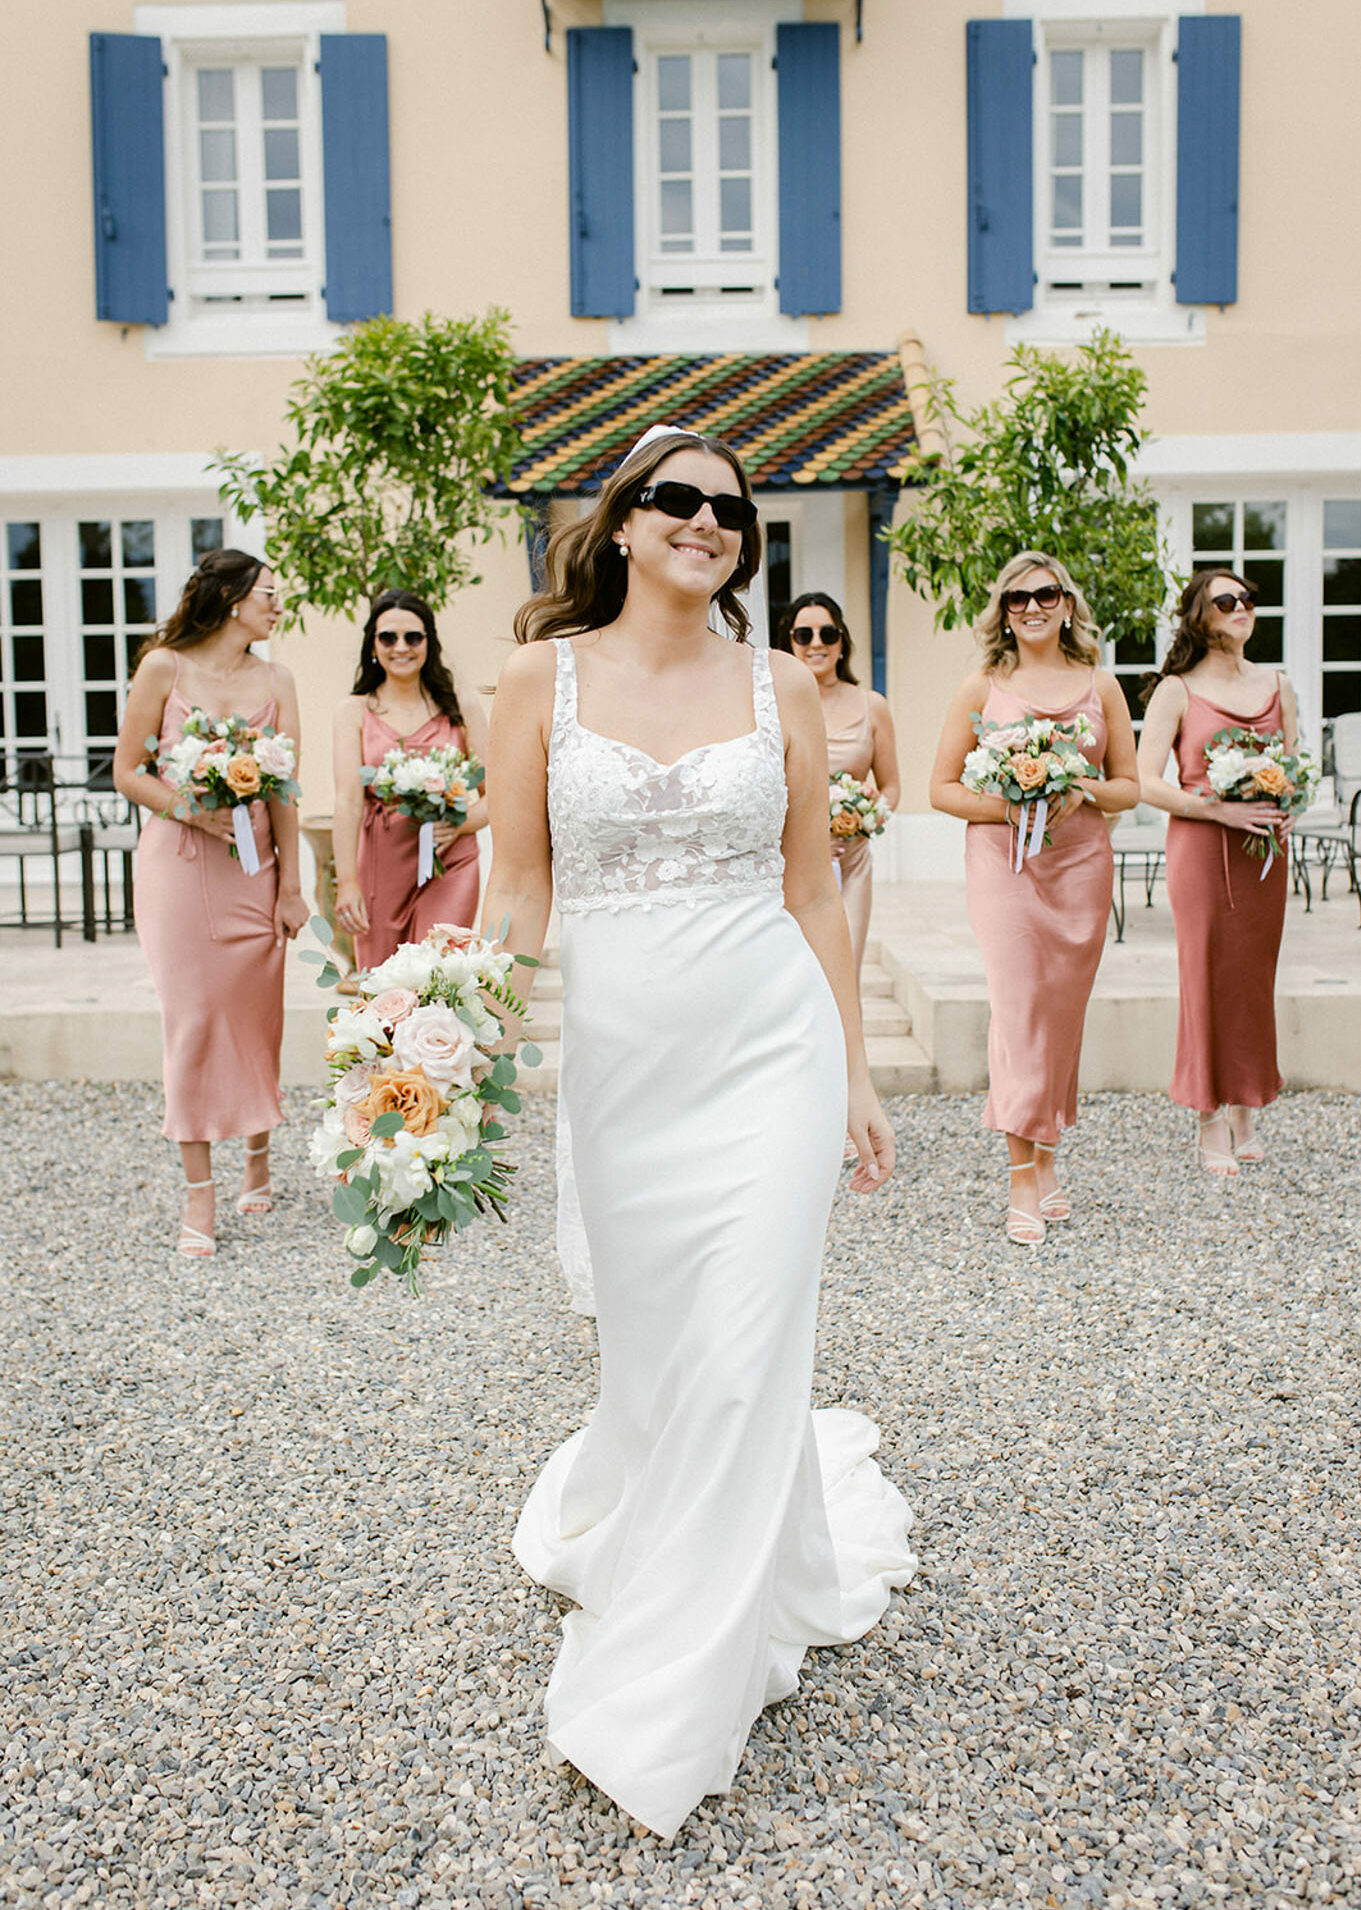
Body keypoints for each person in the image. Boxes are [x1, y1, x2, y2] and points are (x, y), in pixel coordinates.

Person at [480, 427, 916, 1839]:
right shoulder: (536, 679)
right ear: (621, 521)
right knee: (661, 1347)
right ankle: (678, 1523)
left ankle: (675, 1672)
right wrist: (457, 1044)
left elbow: (810, 891)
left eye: (730, 509)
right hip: (627, 1068)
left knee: (745, 1343)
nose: (706, 520)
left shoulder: (778, 680)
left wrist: (852, 1072)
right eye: (676, 498)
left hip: (770, 1044)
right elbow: (520, 889)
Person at [930, 552, 1138, 1242]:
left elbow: (1128, 788)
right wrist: (1010, 808)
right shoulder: (982, 686)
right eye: (1016, 598)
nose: (1031, 608)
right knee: (1018, 1009)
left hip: (1081, 864)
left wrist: (1080, 790)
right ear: (1004, 611)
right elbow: (941, 789)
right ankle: (1020, 1177)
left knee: (1060, 1015)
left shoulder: (1101, 686)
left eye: (1045, 594)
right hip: (1004, 864)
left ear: (1067, 604)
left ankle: (1046, 1156)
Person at [112, 549, 308, 1255]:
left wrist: (292, 886)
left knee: (256, 1019)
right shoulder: (163, 667)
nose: (277, 605)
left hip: (254, 872)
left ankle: (257, 1153)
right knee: (191, 1021)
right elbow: (126, 770)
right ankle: (200, 1191)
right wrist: (189, 810)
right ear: (231, 600)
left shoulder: (277, 680)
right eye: (267, 594)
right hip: (177, 867)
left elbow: (285, 792)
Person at [1137, 571, 1296, 1172]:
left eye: (1247, 599)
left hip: (1263, 853)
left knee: (1254, 976)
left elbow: (1294, 768)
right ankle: (1207, 1116)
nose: (1240, 608)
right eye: (1225, 601)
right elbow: (1146, 782)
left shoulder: (1278, 685)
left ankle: (1246, 1109)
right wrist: (1215, 809)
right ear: (1199, 617)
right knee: (1204, 974)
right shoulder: (1176, 691)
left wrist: (1291, 807)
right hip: (1202, 848)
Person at [331, 590, 488, 972]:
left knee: (439, 974)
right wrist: (347, 881)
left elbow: (497, 796)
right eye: (388, 638)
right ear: (373, 645)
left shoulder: (460, 707)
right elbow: (348, 802)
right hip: (381, 863)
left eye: (413, 637)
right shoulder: (354, 711)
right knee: (385, 981)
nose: (401, 647)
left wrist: (460, 824)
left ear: (429, 643)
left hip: (450, 860)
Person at [776, 592, 900, 982]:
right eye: (804, 635)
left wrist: (861, 821)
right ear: (789, 642)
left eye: (828, 633)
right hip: (789, 865)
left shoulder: (872, 706)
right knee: (798, 979)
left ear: (842, 640)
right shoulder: (773, 706)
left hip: (850, 865)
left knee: (844, 975)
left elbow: (891, 786)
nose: (817, 644)